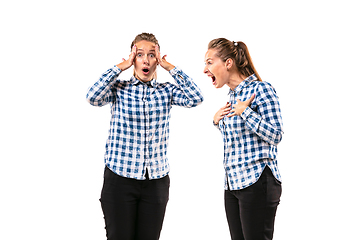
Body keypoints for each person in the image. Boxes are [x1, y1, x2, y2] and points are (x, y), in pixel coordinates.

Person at [86, 33, 204, 240]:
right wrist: (119, 67)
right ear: (133, 58)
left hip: (156, 182)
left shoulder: (166, 91)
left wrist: (169, 67)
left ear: (157, 58)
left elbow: (196, 98)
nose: (146, 60)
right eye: (140, 55)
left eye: (151, 55)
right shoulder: (119, 89)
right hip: (119, 179)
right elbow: (92, 97)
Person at [203, 38, 283, 240]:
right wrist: (217, 122)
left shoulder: (261, 90)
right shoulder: (232, 95)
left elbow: (276, 134)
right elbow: (242, 140)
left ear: (228, 63)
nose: (205, 69)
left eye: (210, 62)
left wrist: (246, 112)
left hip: (257, 182)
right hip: (233, 184)